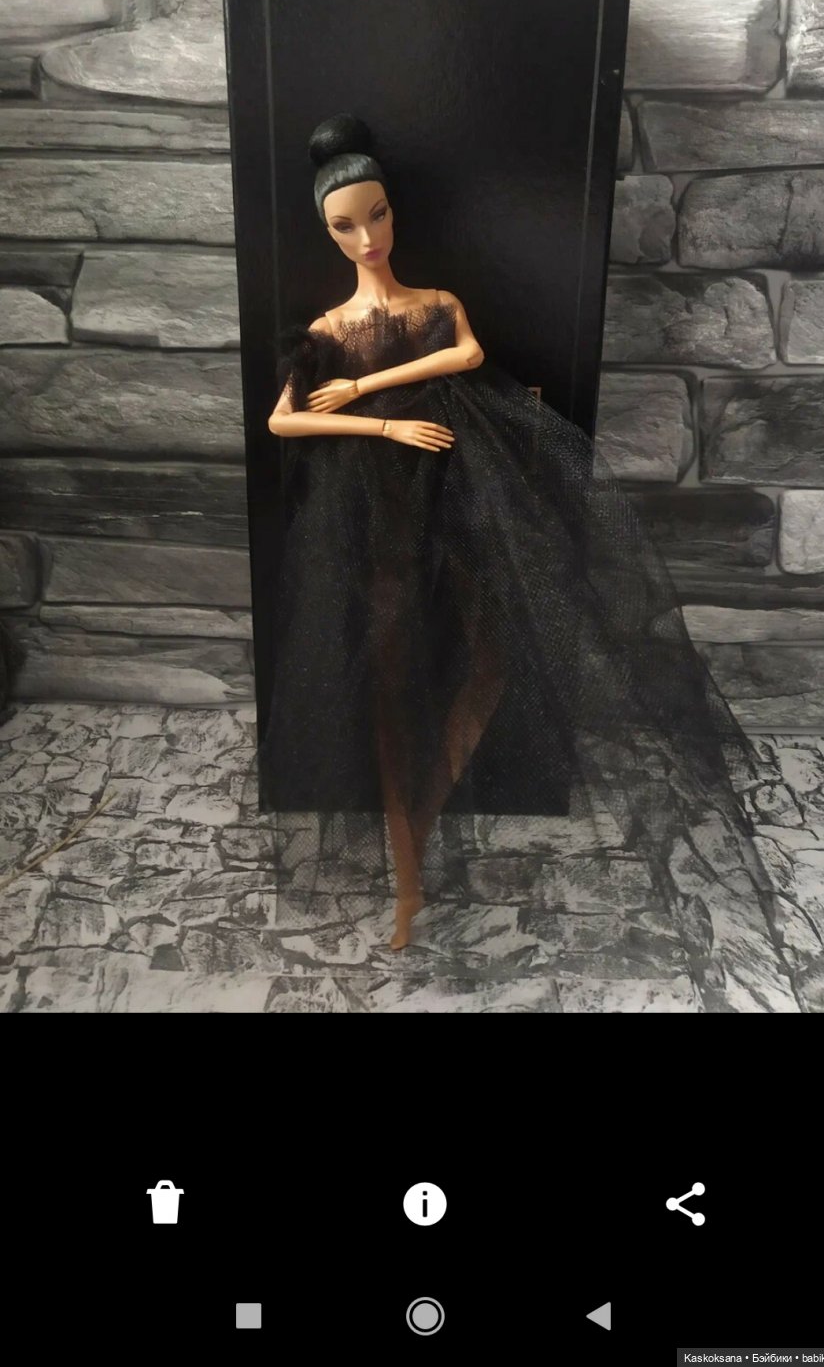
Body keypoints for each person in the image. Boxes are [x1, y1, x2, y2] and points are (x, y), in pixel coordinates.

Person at [256, 113, 790, 1000]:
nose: (367, 238)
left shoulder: (435, 304)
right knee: (389, 677)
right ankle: (408, 873)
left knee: (499, 644)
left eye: (376, 216)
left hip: (465, 493)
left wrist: (371, 385)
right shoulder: (327, 329)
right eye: (346, 226)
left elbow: (466, 353)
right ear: (329, 233)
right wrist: (380, 425)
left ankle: (431, 797)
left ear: (393, 213)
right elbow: (284, 419)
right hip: (377, 512)